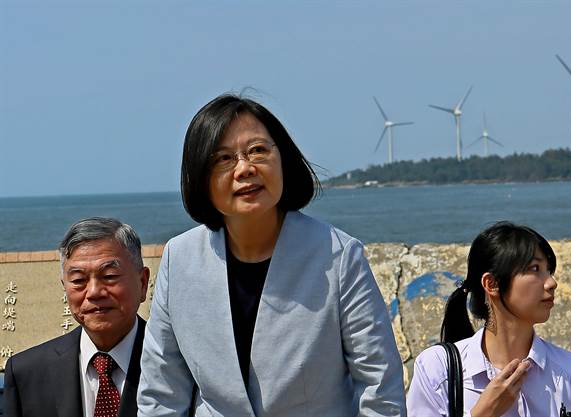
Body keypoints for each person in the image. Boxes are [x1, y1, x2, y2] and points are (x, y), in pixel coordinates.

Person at [137, 93, 405, 417]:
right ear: (200, 177)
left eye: (258, 151)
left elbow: (380, 391)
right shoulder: (180, 259)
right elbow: (161, 393)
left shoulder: (338, 256)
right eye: (224, 159)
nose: (244, 168)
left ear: (283, 159)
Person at [406, 221, 571, 417]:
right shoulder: (438, 370)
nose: (552, 283)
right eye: (535, 269)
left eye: (549, 271)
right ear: (491, 284)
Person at [4, 217, 150, 417]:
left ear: (142, 283)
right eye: (79, 280)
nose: (94, 292)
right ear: (64, 286)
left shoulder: (178, 364)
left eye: (109, 276)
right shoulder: (26, 372)